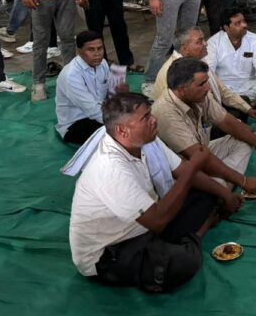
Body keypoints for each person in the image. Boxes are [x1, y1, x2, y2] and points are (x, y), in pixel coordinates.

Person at [68, 92, 243, 292]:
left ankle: (188, 237)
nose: (154, 119)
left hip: (145, 225)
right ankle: (196, 236)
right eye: (145, 118)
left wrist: (225, 194)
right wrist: (194, 167)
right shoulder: (110, 168)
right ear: (122, 130)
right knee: (185, 262)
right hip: (112, 250)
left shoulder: (146, 140)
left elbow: (182, 170)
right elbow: (158, 220)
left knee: (209, 193)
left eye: (150, 114)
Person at [153, 57, 256, 191]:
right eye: (202, 84)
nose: (208, 88)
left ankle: (221, 183)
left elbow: (226, 121)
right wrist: (243, 181)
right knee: (210, 184)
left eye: (207, 82)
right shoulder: (166, 112)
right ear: (182, 89)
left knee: (244, 140)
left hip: (201, 151)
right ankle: (220, 186)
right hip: (183, 168)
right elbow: (197, 155)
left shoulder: (200, 95)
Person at [152, 26, 256, 123]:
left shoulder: (198, 61)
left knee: (244, 103)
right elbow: (194, 110)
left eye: (203, 39)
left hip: (207, 107)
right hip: (190, 121)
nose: (206, 44)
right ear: (185, 48)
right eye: (199, 42)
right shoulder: (176, 72)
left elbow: (222, 90)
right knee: (234, 120)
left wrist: (247, 109)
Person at [56, 31, 128, 145]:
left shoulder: (103, 63)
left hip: (101, 113)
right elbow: (92, 110)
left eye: (100, 48)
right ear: (78, 51)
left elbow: (109, 96)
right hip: (76, 123)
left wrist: (120, 93)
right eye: (91, 49)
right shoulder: (71, 75)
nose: (97, 54)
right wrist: (122, 121)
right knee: (123, 134)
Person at [206, 7, 256, 119]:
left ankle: (248, 104)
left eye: (244, 21)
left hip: (249, 86)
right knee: (212, 93)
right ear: (226, 28)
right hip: (224, 87)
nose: (244, 25)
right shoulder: (213, 42)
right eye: (238, 23)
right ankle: (246, 105)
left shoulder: (254, 39)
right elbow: (209, 72)